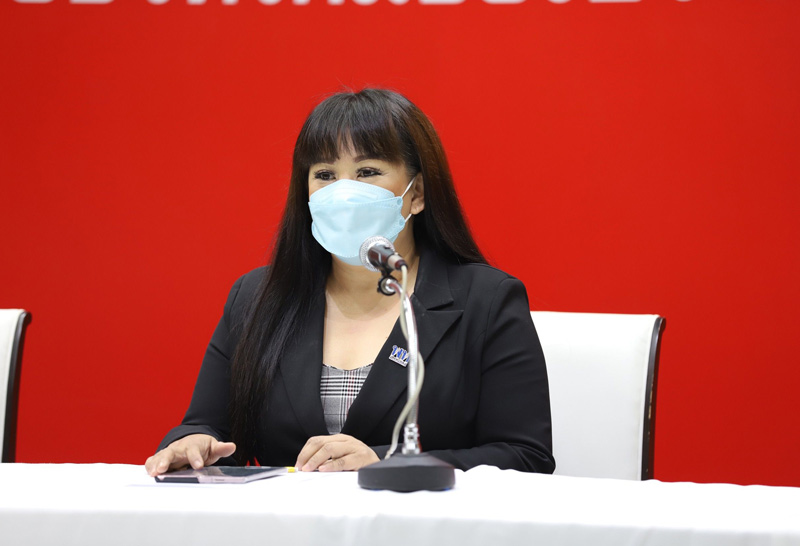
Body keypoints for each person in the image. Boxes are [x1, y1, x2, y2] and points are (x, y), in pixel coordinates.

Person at [145, 88, 554, 476]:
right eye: (325, 174)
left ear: (416, 194)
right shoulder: (256, 298)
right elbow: (209, 429)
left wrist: (384, 462)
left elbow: (526, 456)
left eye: (367, 172)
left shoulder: (486, 300)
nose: (343, 191)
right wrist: (191, 444)